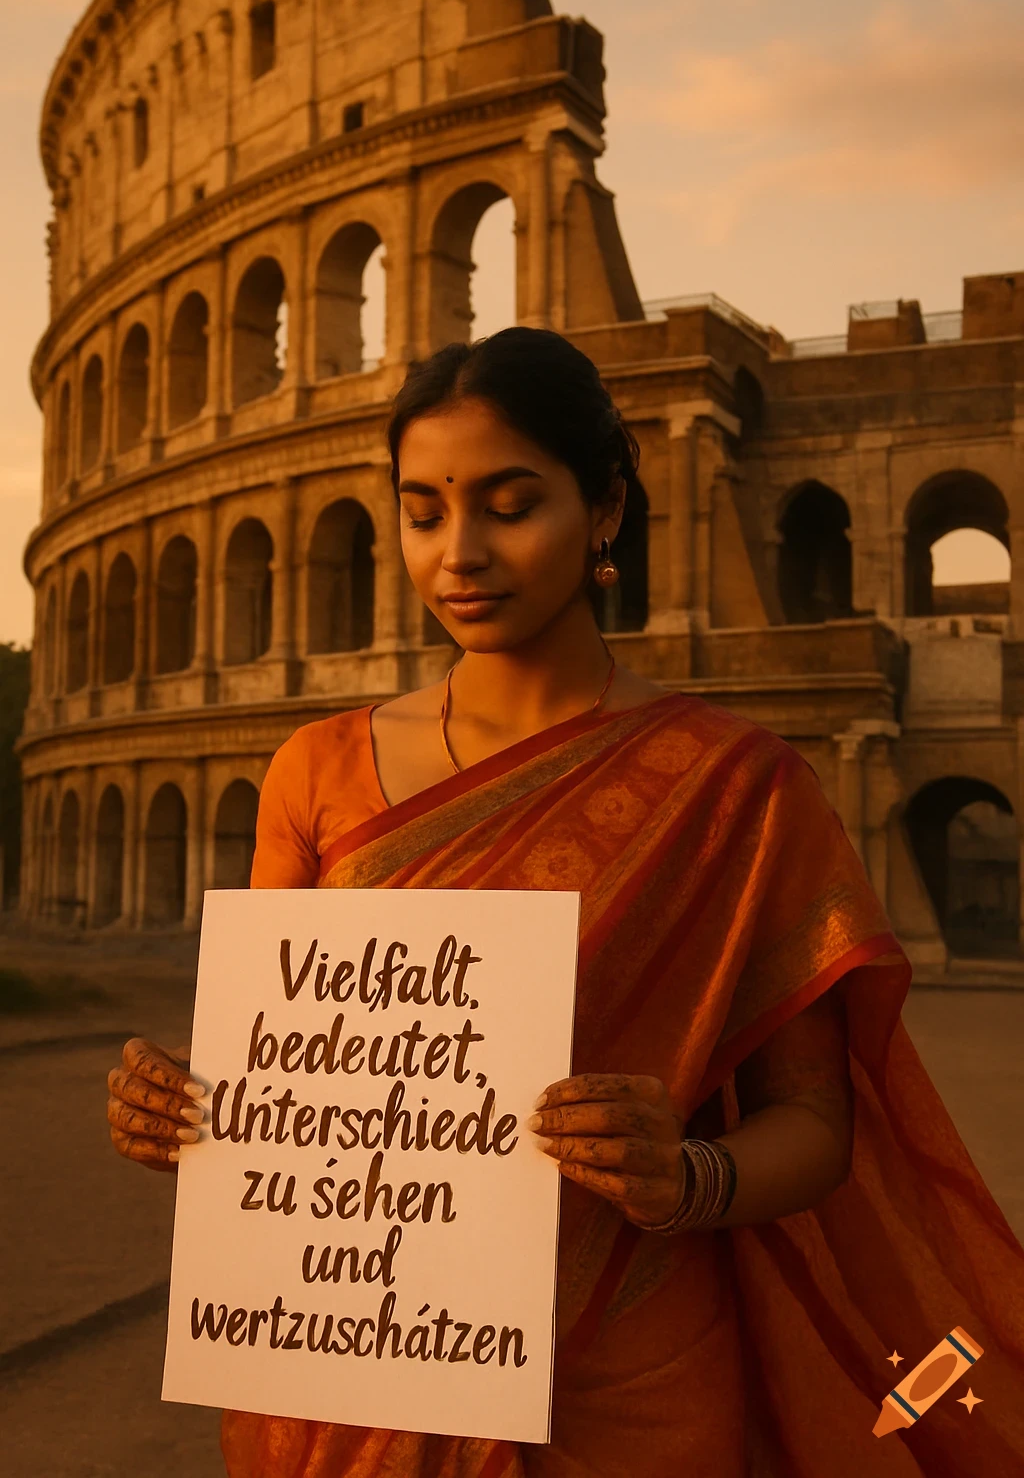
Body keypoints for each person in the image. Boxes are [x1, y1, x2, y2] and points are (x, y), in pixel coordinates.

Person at [108, 328, 1024, 1477]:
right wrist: (189, 1111)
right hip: (343, 1361)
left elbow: (818, 1130)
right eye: (424, 510)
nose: (461, 554)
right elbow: (298, 1069)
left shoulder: (733, 786)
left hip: (623, 1359)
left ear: (604, 511)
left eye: (508, 504)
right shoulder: (318, 771)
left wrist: (689, 1175)